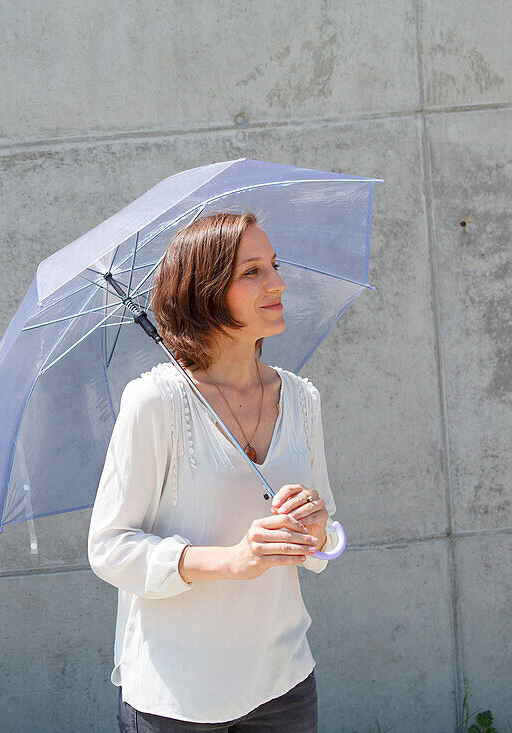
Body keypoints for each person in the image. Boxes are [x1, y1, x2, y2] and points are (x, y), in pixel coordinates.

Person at [87, 211, 339, 732]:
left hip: (283, 683)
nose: (278, 282)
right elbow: (110, 549)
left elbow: (331, 538)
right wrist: (233, 560)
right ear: (205, 291)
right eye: (252, 272)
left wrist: (317, 532)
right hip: (177, 697)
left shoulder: (301, 398)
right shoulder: (155, 401)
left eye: (274, 264)